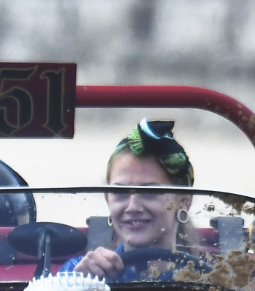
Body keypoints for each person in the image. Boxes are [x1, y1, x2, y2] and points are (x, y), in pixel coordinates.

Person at [70, 120, 196, 280]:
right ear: (107, 198)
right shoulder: (77, 273)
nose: (133, 207)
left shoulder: (213, 282)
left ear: (184, 201)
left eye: (149, 192)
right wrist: (77, 290)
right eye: (119, 192)